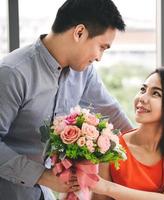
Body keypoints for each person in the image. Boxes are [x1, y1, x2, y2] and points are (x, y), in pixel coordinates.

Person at [0, 0, 132, 199]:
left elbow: (112, 113)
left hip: (43, 193)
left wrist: (158, 149)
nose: (99, 58)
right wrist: (42, 176)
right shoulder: (14, 73)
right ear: (79, 32)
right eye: (101, 47)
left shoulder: (84, 73)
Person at [91, 67, 164, 200]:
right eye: (143, 90)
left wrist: (108, 188)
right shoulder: (110, 146)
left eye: (156, 94)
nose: (142, 98)